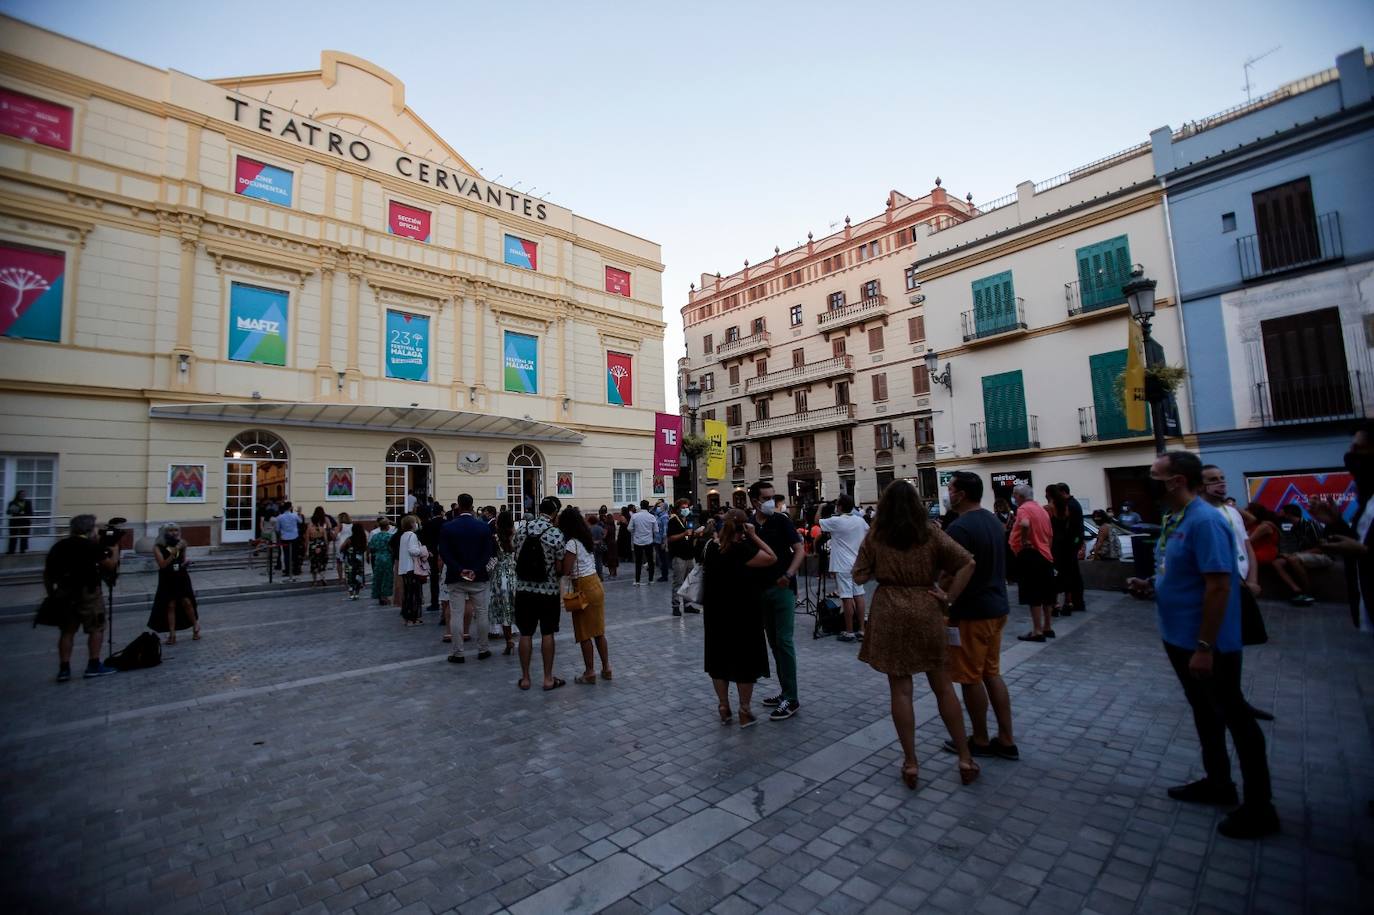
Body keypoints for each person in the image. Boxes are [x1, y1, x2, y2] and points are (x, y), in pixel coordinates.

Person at [1127, 450, 1278, 839]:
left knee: (1236, 716)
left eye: (1154, 475)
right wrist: (1151, 587)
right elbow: (1181, 574)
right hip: (1179, 636)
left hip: (1209, 643)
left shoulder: (1205, 521)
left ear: (1176, 480)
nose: (1149, 479)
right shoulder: (1174, 518)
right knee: (1204, 711)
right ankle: (1218, 781)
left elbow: (1219, 585)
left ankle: (1260, 807)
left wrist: (1205, 646)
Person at [853, 480, 980, 787]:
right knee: (943, 687)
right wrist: (948, 596)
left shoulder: (876, 536)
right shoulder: (930, 533)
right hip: (926, 607)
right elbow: (967, 563)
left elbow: (859, 575)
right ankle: (964, 757)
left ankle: (910, 763)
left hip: (890, 610)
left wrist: (881, 568)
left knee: (901, 690)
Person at [940, 472, 1018, 761]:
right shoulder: (993, 522)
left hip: (972, 612)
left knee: (970, 677)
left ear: (961, 494)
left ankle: (981, 738)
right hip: (997, 607)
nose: (948, 493)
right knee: (992, 673)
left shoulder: (960, 528)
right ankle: (1007, 738)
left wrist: (944, 595)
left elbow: (950, 571)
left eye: (950, 488)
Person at [1200, 464, 1273, 722]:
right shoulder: (1200, 515)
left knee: (1235, 644)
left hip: (1240, 585)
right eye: (1212, 480)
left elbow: (1247, 547)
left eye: (1222, 478)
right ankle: (1222, 699)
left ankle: (1234, 697)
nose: (1220, 483)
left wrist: (1252, 580)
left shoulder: (1232, 512)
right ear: (1200, 485)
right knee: (1217, 644)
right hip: (1218, 587)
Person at [702, 508, 777, 726]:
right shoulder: (742, 549)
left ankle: (724, 706)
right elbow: (771, 557)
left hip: (716, 612)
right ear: (744, 526)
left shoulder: (710, 548)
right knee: (745, 661)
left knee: (719, 660)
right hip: (744, 612)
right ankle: (744, 710)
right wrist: (754, 536)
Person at [748, 479, 803, 721]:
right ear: (754, 501)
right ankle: (784, 692)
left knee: (784, 641)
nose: (771, 502)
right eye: (766, 498)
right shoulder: (749, 525)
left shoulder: (781, 521)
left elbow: (800, 549)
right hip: (759, 590)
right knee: (774, 642)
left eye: (773, 497)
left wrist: (788, 574)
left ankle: (792, 697)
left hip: (782, 588)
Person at [44, 514, 120, 682]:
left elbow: (47, 575)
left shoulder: (59, 546)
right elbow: (110, 565)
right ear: (89, 529)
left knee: (67, 632)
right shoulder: (90, 546)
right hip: (89, 593)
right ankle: (93, 665)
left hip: (65, 592)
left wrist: (51, 594)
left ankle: (64, 669)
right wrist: (115, 551)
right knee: (96, 628)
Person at [1319, 424, 1374, 633]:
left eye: (1359, 449)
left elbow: (1364, 549)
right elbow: (1359, 542)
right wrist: (1335, 522)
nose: (1350, 456)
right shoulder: (1368, 502)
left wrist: (1366, 552)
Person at [513, 497, 567, 690]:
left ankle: (526, 678)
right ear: (554, 513)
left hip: (523, 590)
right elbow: (560, 565)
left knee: (525, 633)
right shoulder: (555, 533)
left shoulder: (522, 530)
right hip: (548, 590)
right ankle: (547, 678)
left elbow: (515, 554)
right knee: (547, 632)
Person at [438, 494, 495, 663]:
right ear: (472, 506)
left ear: (459, 506)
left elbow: (444, 553)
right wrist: (475, 569)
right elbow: (487, 553)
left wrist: (459, 569)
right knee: (482, 612)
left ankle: (458, 652)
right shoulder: (483, 527)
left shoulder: (448, 527)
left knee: (456, 614)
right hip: (478, 576)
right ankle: (483, 648)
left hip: (456, 576)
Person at [559, 506, 612, 683]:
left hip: (582, 586)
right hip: (595, 583)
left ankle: (589, 672)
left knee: (584, 632)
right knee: (599, 631)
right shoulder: (586, 538)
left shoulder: (571, 543)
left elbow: (566, 570)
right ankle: (606, 668)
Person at [818, 493, 869, 642]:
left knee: (846, 597)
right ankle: (862, 629)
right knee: (859, 595)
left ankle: (849, 631)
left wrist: (821, 507)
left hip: (842, 565)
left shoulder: (836, 521)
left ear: (839, 507)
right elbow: (869, 534)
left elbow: (817, 522)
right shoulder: (860, 521)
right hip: (857, 563)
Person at [1009, 484, 1055, 641]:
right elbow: (1050, 535)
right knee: (1046, 593)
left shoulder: (1024, 509)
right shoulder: (1042, 510)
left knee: (1033, 593)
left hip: (1031, 555)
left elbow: (1025, 524)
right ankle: (1047, 626)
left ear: (1020, 496)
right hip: (1045, 554)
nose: (1013, 498)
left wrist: (1023, 541)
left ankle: (1037, 630)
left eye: (1014, 495)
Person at [147, 523, 200, 644]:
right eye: (170, 530)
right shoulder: (158, 547)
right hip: (167, 577)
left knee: (187, 602)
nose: (174, 533)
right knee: (170, 605)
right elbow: (163, 565)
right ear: (164, 532)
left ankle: (196, 626)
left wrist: (185, 563)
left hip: (180, 576)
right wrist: (175, 550)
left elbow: (181, 560)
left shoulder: (182, 543)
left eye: (176, 530)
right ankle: (172, 634)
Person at [1272, 503, 1326, 605]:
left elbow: (1322, 548)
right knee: (1277, 563)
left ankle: (1308, 592)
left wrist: (1296, 554)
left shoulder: (1310, 524)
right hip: (1301, 555)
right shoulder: (1294, 528)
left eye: (1281, 511)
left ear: (1288, 514)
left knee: (1293, 559)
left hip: (1322, 555)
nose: (1279, 513)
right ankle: (1296, 589)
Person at [488, 509, 518, 654]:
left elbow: (492, 559)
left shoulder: (495, 538)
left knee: (504, 609)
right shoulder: (516, 536)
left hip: (499, 576)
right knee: (515, 607)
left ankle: (509, 640)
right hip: (514, 574)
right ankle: (522, 637)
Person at [667, 498, 698, 616]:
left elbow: (689, 535)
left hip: (690, 554)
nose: (685, 509)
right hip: (679, 555)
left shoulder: (689, 519)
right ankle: (675, 606)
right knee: (678, 582)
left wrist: (696, 534)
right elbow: (670, 538)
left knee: (690, 582)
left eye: (687, 507)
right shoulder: (673, 521)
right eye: (683, 508)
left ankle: (688, 605)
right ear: (678, 509)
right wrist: (684, 534)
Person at [397, 514, 427, 626]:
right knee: (414, 593)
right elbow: (413, 551)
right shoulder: (412, 535)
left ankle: (407, 617)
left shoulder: (403, 535)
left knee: (408, 593)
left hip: (404, 568)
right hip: (412, 568)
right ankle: (412, 618)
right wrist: (423, 550)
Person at [420, 503, 446, 615]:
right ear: (441, 512)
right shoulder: (447, 523)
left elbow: (423, 540)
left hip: (432, 554)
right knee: (445, 579)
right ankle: (446, 602)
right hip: (445, 554)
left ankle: (434, 602)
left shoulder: (428, 524)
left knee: (434, 579)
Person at [628, 500, 657, 584]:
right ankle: (651, 579)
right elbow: (656, 530)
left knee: (638, 562)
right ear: (648, 507)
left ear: (640, 506)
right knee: (650, 561)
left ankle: (637, 580)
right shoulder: (651, 517)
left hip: (638, 541)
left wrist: (636, 531)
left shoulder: (635, 516)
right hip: (649, 541)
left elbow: (629, 528)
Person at [368, 516, 396, 605]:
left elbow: (371, 548)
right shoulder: (390, 536)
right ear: (387, 526)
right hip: (387, 558)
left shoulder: (375, 536)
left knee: (378, 577)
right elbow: (392, 549)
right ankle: (385, 596)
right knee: (387, 577)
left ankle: (379, 595)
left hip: (378, 557)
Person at [306, 507, 331, 588]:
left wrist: (306, 550)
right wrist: (327, 549)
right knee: (322, 562)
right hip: (322, 545)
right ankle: (323, 577)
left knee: (314, 564)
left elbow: (307, 539)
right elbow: (326, 539)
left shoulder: (310, 528)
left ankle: (315, 581)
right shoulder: (322, 529)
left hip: (313, 546)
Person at [341, 523, 367, 600]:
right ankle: (357, 594)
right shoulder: (363, 539)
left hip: (350, 561)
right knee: (358, 576)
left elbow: (342, 548)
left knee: (350, 577)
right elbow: (365, 548)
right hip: (359, 561)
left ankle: (351, 594)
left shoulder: (349, 539)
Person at [276, 500, 300, 581]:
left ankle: (287, 570)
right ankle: (296, 570)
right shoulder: (294, 515)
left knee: (286, 555)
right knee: (295, 554)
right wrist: (299, 513)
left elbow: (277, 529)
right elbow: (301, 521)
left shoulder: (279, 517)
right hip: (294, 536)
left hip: (285, 537)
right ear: (290, 507)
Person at [7, 488, 33, 554]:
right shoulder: (13, 502)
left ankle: (23, 551)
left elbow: (31, 513)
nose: (23, 495)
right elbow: (8, 512)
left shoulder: (28, 502)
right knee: (13, 537)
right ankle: (11, 551)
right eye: (21, 494)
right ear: (18, 495)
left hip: (25, 522)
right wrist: (12, 510)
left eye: (24, 494)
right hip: (14, 522)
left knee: (24, 537)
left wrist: (24, 514)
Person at [334, 512, 353, 586]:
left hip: (340, 544)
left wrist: (332, 532)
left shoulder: (340, 525)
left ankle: (340, 578)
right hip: (349, 544)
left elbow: (335, 536)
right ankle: (347, 577)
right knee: (348, 562)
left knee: (339, 562)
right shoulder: (352, 525)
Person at [653, 500, 670, 582]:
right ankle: (663, 575)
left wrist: (664, 542)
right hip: (656, 540)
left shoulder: (664, 517)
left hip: (661, 541)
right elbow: (651, 511)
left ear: (664, 508)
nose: (659, 508)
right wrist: (656, 504)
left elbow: (665, 530)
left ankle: (665, 576)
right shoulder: (659, 515)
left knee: (663, 559)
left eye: (661, 506)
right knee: (660, 558)